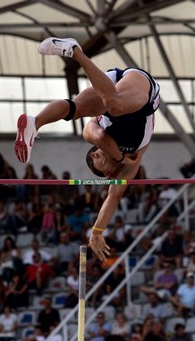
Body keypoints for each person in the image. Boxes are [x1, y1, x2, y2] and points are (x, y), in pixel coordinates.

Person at [14, 37, 160, 260]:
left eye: (96, 155)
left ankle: (75, 52)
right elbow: (112, 197)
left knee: (93, 108)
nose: (97, 153)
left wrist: (117, 155)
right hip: (143, 95)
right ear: (111, 171)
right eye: (100, 160)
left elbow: (96, 135)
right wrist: (97, 232)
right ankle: (36, 122)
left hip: (118, 89)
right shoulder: (131, 162)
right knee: (88, 107)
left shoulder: (105, 144)